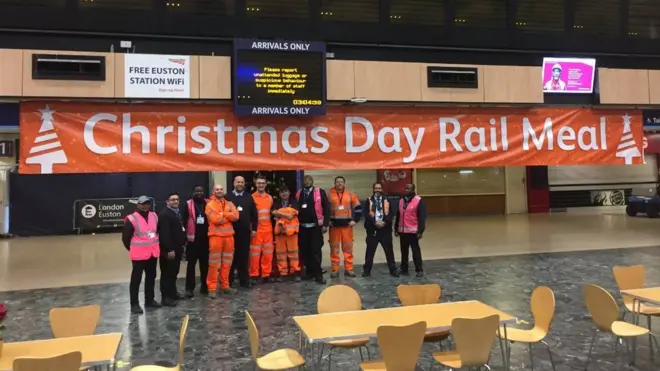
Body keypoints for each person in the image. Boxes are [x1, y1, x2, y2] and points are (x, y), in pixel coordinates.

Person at [122, 195, 162, 314]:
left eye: (147, 204)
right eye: (143, 204)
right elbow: (125, 239)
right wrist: (134, 249)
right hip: (138, 256)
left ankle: (149, 300)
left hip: (152, 254)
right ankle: (134, 304)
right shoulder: (131, 219)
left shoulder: (154, 216)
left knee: (151, 278)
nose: (145, 206)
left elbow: (157, 232)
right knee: (136, 280)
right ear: (138, 205)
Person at [206, 184, 239, 297]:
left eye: (221, 189)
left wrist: (224, 214)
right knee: (214, 264)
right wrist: (228, 217)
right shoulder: (209, 204)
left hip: (229, 237)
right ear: (213, 191)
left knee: (227, 262)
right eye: (217, 189)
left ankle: (225, 285)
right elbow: (215, 219)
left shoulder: (229, 203)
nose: (219, 191)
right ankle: (212, 288)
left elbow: (236, 216)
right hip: (216, 237)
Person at [296, 175, 329, 284]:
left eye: (309, 180)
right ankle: (309, 272)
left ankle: (318, 275)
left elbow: (327, 208)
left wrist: (325, 224)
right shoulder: (299, 193)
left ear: (312, 181)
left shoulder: (320, 192)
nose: (307, 182)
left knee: (316, 251)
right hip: (303, 227)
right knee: (305, 251)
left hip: (315, 227)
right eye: (305, 180)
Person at [226, 176, 257, 288]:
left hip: (244, 233)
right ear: (234, 183)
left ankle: (244, 281)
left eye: (242, 182)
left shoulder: (249, 197)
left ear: (244, 184)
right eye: (238, 182)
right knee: (230, 258)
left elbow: (254, 214)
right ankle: (228, 281)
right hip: (230, 232)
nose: (240, 184)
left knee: (243, 257)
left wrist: (254, 229)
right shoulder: (228, 197)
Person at [362, 182, 399, 277]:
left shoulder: (388, 200)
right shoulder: (368, 200)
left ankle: (393, 269)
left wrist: (385, 222)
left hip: (385, 229)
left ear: (382, 189)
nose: (377, 190)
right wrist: (375, 222)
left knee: (389, 251)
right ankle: (367, 270)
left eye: (379, 188)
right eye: (376, 188)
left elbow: (391, 213)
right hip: (372, 230)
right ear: (373, 189)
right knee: (370, 251)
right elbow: (366, 214)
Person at [328, 176, 361, 278]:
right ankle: (335, 269)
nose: (339, 184)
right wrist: (327, 221)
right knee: (334, 249)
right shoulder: (328, 195)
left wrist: (355, 220)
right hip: (334, 227)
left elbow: (358, 207)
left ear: (344, 183)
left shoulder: (350, 194)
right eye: (337, 182)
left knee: (348, 248)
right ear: (334, 183)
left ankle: (349, 269)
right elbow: (323, 208)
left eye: (341, 182)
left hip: (347, 227)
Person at [157, 192, 187, 307]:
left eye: (177, 199)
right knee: (167, 274)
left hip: (177, 248)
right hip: (169, 250)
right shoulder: (165, 214)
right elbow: (164, 234)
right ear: (167, 202)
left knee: (174, 272)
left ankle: (173, 293)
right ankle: (166, 298)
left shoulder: (177, 213)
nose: (175, 201)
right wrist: (169, 249)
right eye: (173, 199)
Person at [394, 184, 427, 278]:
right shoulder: (401, 200)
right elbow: (398, 215)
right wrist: (396, 228)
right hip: (403, 231)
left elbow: (422, 217)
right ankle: (404, 268)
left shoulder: (419, 200)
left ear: (413, 190)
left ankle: (419, 269)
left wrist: (420, 231)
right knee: (404, 251)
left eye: (408, 189)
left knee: (415, 250)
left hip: (413, 231)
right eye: (405, 188)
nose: (406, 190)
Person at [182, 185, 209, 298]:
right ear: (193, 192)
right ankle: (189, 289)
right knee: (191, 265)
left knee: (205, 265)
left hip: (206, 239)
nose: (199, 193)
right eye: (197, 191)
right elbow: (183, 222)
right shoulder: (187, 204)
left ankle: (205, 286)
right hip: (193, 240)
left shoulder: (208, 202)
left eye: (201, 191)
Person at [272, 185, 301, 281]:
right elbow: (273, 212)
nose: (284, 193)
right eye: (282, 192)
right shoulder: (276, 202)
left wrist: (280, 212)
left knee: (293, 254)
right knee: (280, 255)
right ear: (279, 194)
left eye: (286, 191)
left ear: (289, 193)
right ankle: (283, 273)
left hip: (292, 233)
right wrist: (286, 213)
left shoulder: (294, 202)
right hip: (280, 233)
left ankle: (295, 272)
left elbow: (294, 213)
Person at [250, 176, 275, 284]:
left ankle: (266, 275)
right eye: (259, 183)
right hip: (256, 230)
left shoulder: (270, 198)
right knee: (254, 254)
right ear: (256, 184)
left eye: (263, 183)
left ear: (265, 184)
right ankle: (254, 275)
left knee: (268, 254)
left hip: (268, 230)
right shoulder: (251, 198)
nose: (261, 185)